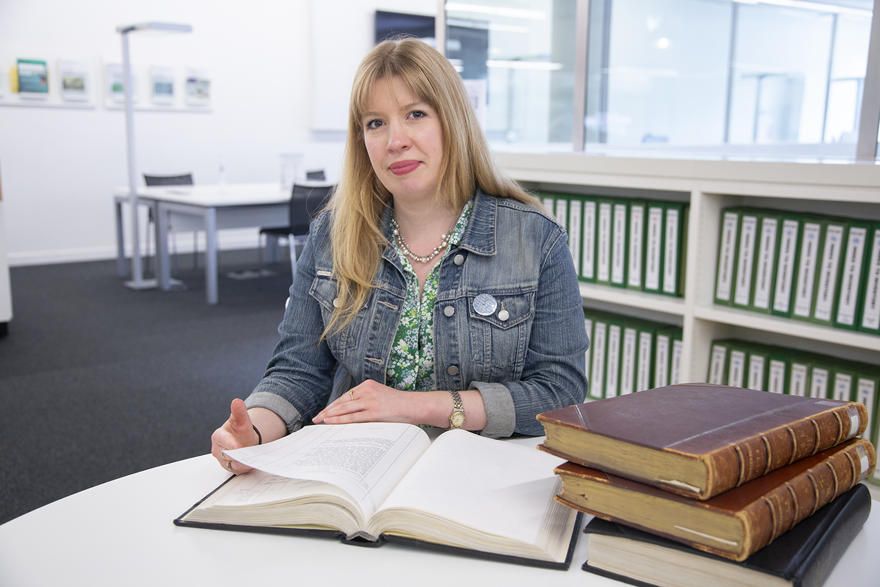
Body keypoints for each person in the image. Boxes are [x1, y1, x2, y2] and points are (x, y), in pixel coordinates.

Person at [212, 38, 588, 474]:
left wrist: (416, 407)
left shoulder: (535, 238)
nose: (395, 141)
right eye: (375, 123)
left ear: (453, 121)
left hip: (485, 472)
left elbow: (559, 392)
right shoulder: (331, 236)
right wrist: (254, 431)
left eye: (415, 115)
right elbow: (299, 372)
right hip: (357, 469)